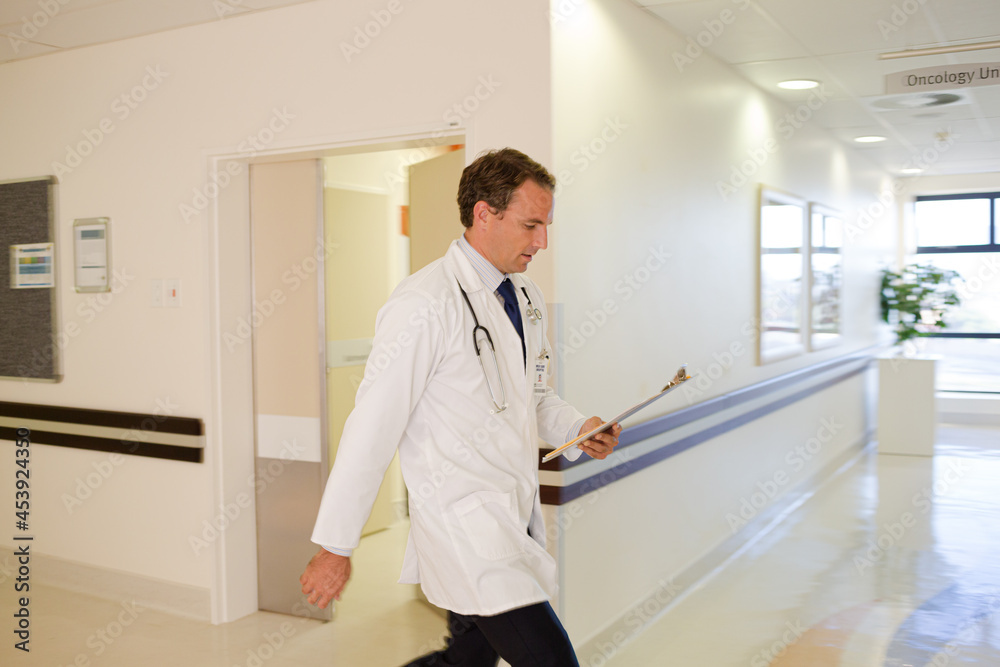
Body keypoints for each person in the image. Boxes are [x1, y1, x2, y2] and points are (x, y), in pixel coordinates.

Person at [300, 148, 621, 666]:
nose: (541, 241)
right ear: (484, 214)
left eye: (546, 225)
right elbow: (371, 430)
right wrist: (336, 545)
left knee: (467, 659)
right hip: (464, 529)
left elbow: (532, 395)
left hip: (511, 514)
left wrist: (577, 425)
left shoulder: (527, 297)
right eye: (531, 224)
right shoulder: (424, 304)